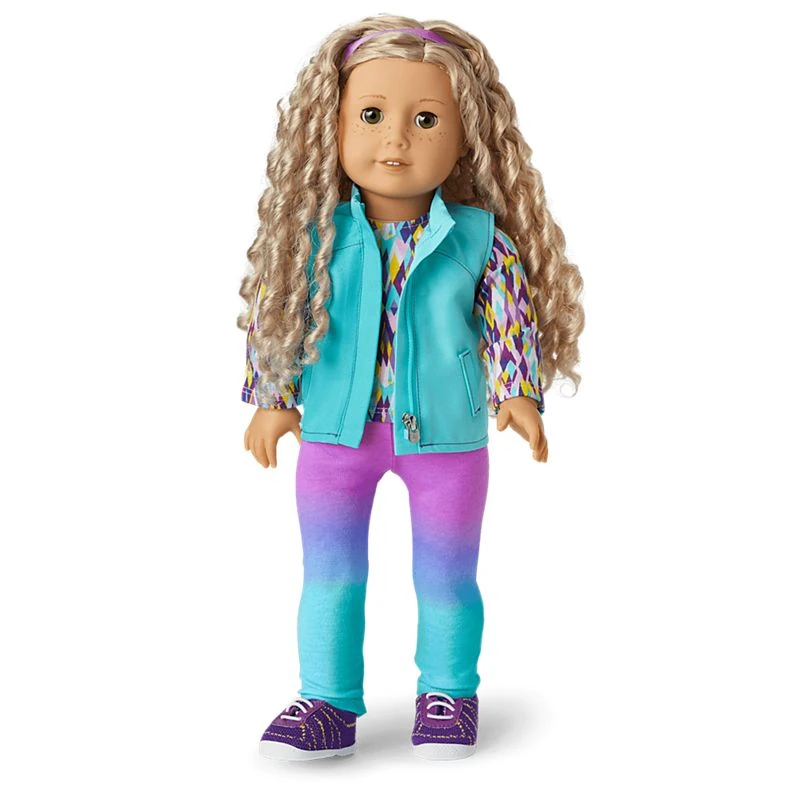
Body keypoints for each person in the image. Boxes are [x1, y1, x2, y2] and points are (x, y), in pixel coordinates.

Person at [237, 15, 585, 761]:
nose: (395, 139)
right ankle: (326, 700)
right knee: (329, 575)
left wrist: (518, 395)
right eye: (371, 115)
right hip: (337, 435)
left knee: (447, 575)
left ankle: (448, 693)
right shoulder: (315, 237)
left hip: (448, 438)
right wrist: (272, 399)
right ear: (331, 126)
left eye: (425, 120)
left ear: (465, 137)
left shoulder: (479, 239)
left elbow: (509, 324)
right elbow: (281, 315)